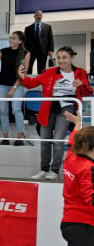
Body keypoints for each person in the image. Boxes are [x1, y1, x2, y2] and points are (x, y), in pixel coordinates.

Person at [19, 46, 92, 180]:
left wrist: (81, 84)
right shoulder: (49, 72)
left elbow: (88, 91)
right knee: (45, 140)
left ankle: (54, 171)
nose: (61, 61)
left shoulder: (80, 72)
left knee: (58, 140)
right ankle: (43, 169)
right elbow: (31, 83)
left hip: (67, 107)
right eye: (58, 58)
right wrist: (22, 77)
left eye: (64, 57)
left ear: (71, 58)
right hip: (48, 108)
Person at [54, 112, 94, 246]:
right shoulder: (89, 169)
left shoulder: (72, 157)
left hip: (74, 222)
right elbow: (92, 200)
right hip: (84, 226)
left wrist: (78, 124)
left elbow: (73, 139)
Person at [0, 31, 30, 145]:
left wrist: (13, 88)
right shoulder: (3, 51)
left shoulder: (25, 53)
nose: (10, 40)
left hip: (17, 84)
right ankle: (5, 137)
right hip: (2, 84)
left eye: (13, 38)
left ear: (20, 41)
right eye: (10, 38)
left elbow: (23, 74)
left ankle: (19, 137)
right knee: (3, 111)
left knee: (16, 109)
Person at [24, 10, 54, 75]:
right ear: (34, 16)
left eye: (40, 15)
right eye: (37, 15)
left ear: (42, 16)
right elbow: (25, 41)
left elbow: (50, 38)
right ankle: (28, 80)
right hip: (31, 51)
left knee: (41, 68)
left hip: (43, 50)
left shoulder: (48, 27)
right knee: (29, 66)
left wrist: (51, 50)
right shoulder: (28, 28)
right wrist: (25, 51)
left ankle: (40, 81)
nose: (39, 17)